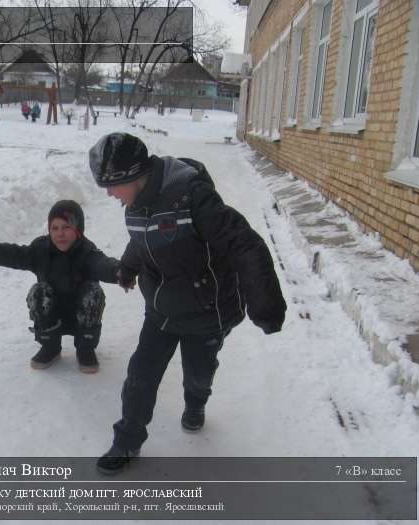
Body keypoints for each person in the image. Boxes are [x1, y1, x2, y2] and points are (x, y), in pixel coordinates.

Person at [88, 133, 287, 474]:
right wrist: (127, 269)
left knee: (198, 373)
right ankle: (126, 442)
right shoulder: (134, 206)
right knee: (140, 376)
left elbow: (245, 244)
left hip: (207, 313)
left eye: (112, 185)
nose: (109, 194)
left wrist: (264, 303)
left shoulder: (193, 199)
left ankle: (196, 403)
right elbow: (141, 242)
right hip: (162, 312)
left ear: (134, 177)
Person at [0, 200, 120, 373]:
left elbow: (102, 264)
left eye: (66, 227)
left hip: (80, 314)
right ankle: (51, 346)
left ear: (78, 229)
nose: (60, 234)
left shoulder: (87, 252)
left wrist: (121, 272)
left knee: (94, 293)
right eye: (54, 228)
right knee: (39, 293)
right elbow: (9, 253)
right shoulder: (40, 250)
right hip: (51, 312)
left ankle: (85, 348)